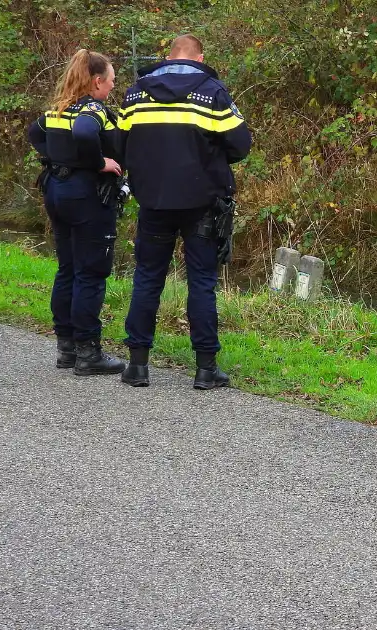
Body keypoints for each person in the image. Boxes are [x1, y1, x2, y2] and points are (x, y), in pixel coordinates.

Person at [118, 34, 251, 389]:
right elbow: (241, 143)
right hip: (201, 203)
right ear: (199, 57)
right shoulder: (212, 93)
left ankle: (137, 365)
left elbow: (120, 141)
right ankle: (206, 368)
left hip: (153, 201)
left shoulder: (135, 93)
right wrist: (210, 158)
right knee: (202, 283)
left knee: (147, 278)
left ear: (168, 55)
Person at [27, 49, 127, 376]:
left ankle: (66, 348)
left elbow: (34, 133)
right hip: (86, 194)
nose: (113, 87)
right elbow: (85, 133)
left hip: (57, 190)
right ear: (97, 81)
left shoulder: (58, 108)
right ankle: (89, 353)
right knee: (91, 272)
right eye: (111, 81)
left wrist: (59, 159)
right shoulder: (93, 110)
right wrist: (98, 163)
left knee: (67, 269)